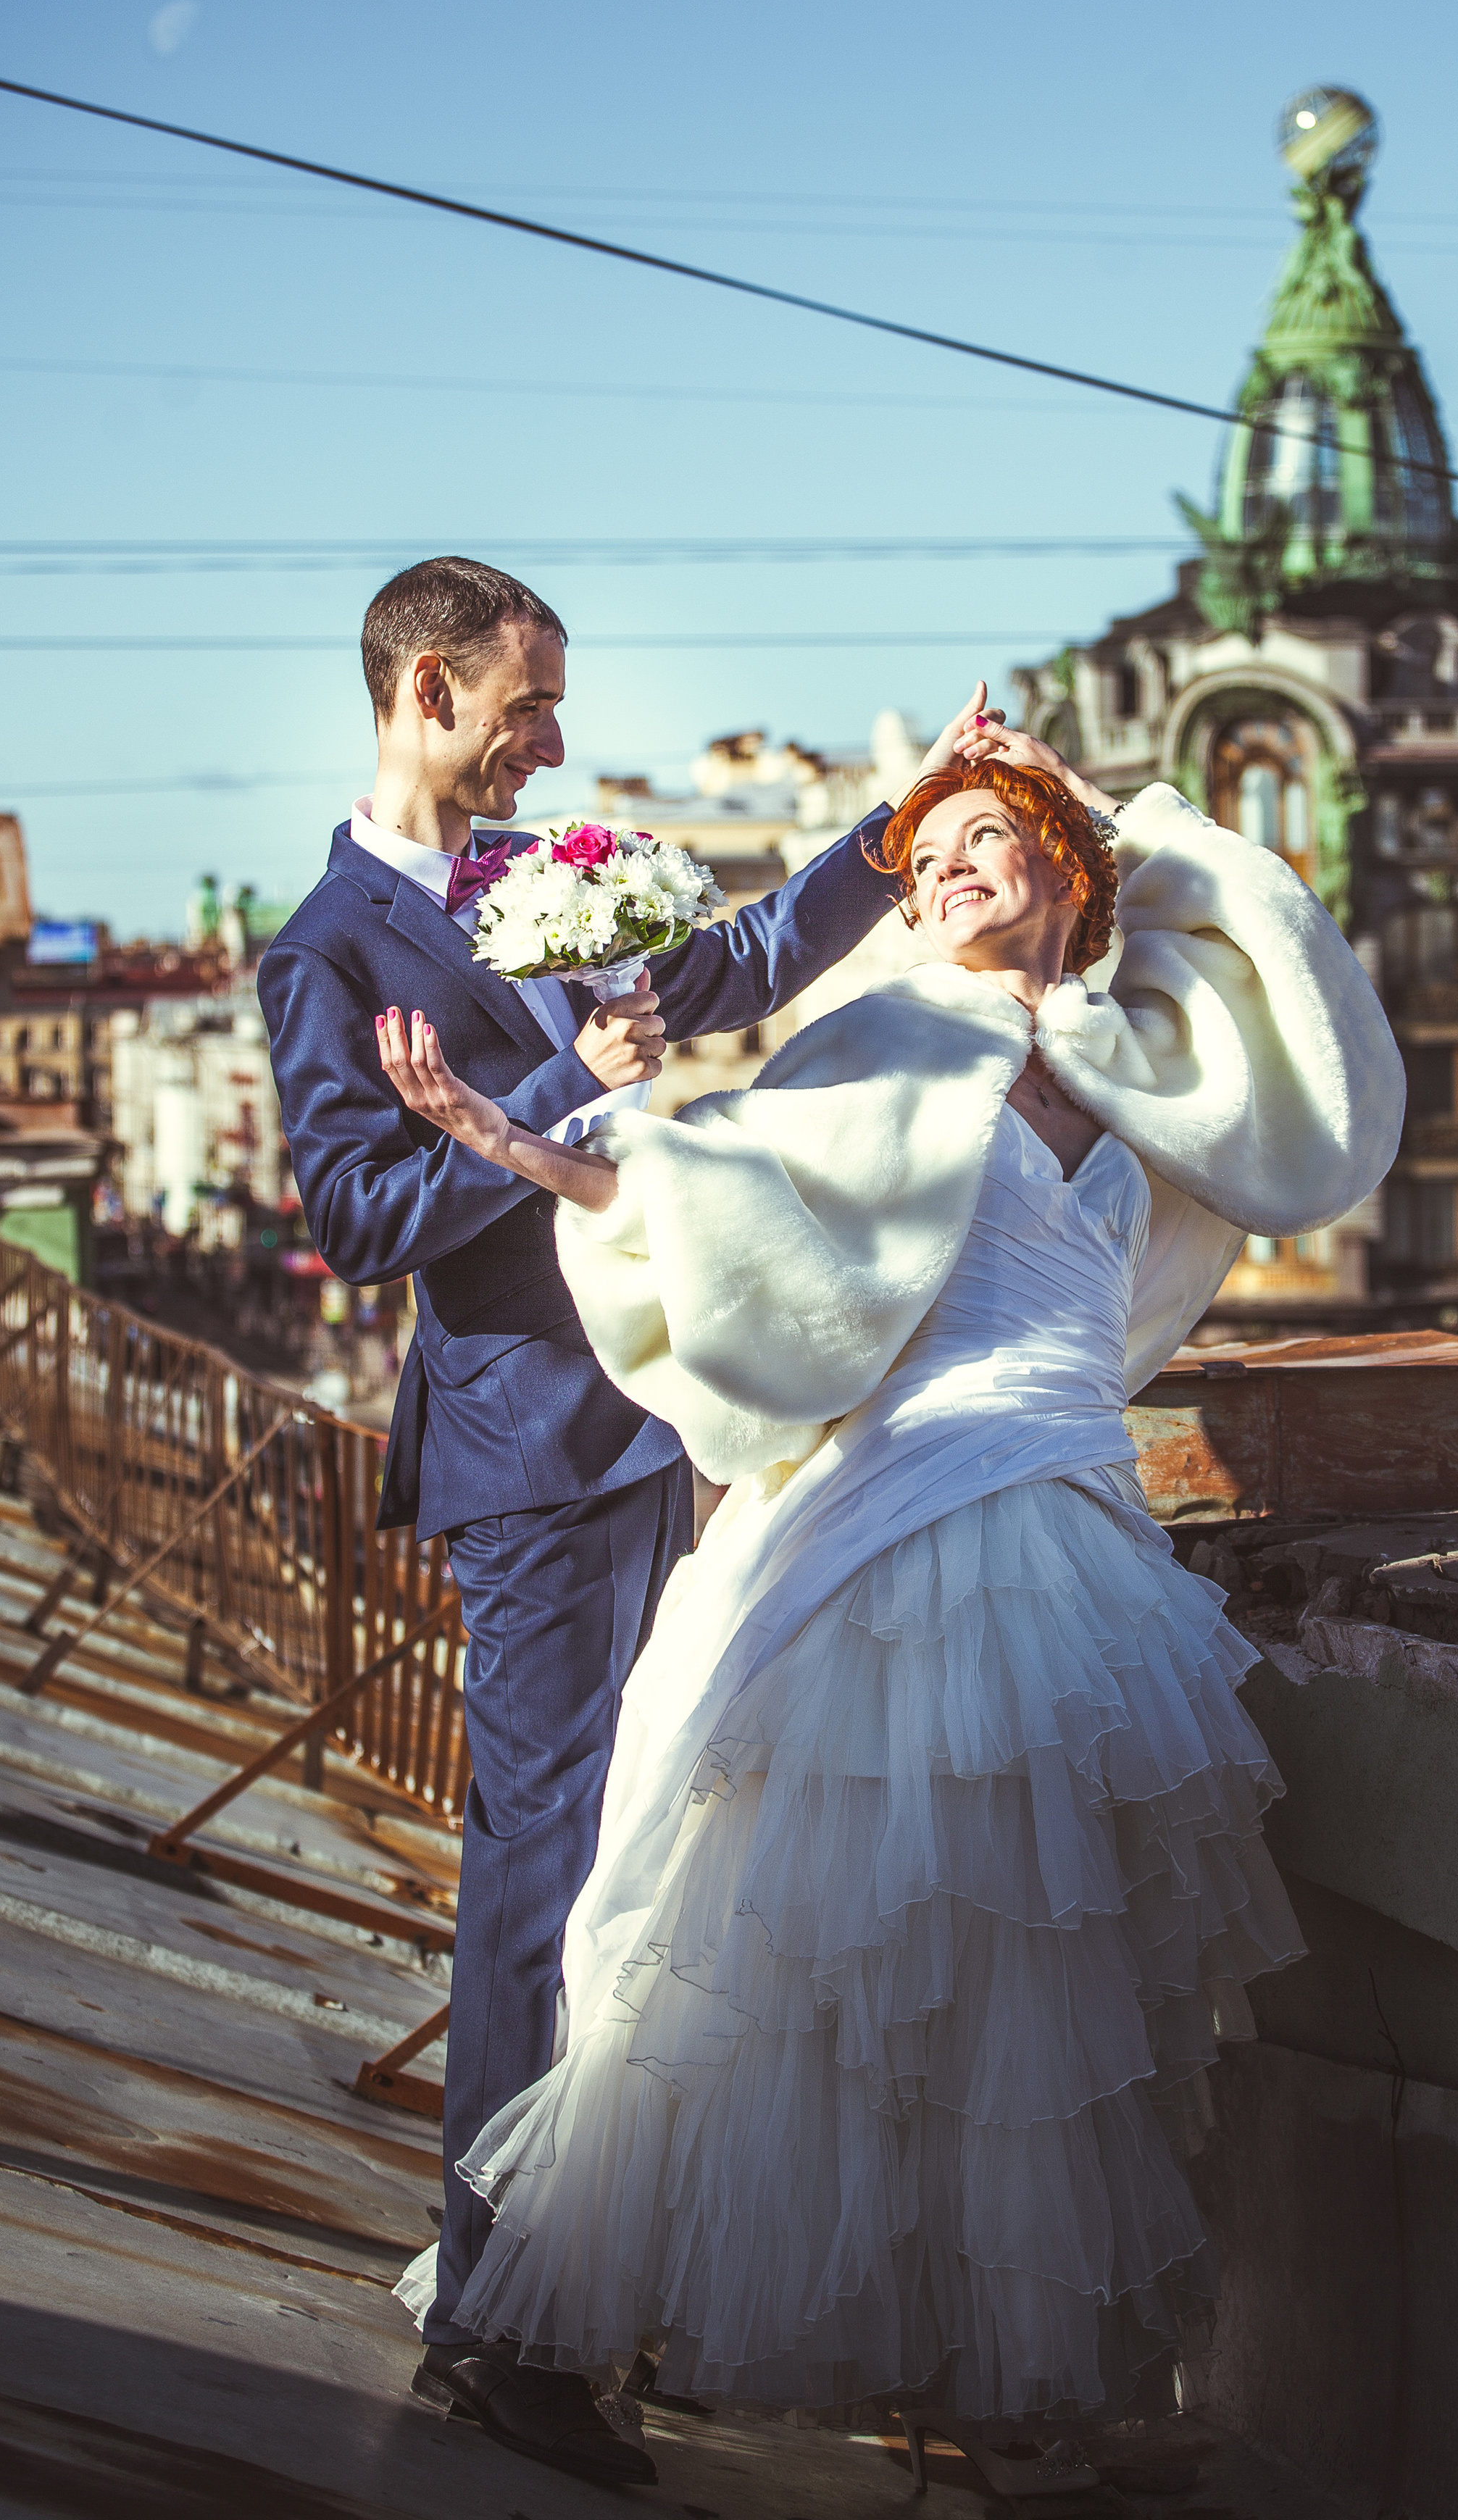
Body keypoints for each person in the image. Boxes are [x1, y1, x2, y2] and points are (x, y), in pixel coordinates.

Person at [374, 720, 1404, 2481]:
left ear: (1070, 871)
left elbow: (1282, 946)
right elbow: (715, 1201)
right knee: (806, 1960)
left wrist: (1070, 786)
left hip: (1071, 1531)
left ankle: (1019, 2402)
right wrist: (514, 1138)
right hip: (889, 1527)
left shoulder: (1151, 1051)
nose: (939, 875)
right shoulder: (872, 1034)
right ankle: (589, 2337)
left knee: (1039, 1960)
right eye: (921, 864)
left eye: (982, 846)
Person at [259, 559, 959, 2487]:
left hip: (663, 1423)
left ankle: (578, 2270)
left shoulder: (534, 875)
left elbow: (723, 969)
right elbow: (362, 1216)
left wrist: (894, 840)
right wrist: (572, 1072)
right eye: (525, 704)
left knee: (648, 1870)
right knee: (540, 1883)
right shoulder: (324, 947)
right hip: (534, 1463)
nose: (557, 739)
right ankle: (498, 2327)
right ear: (423, 692)